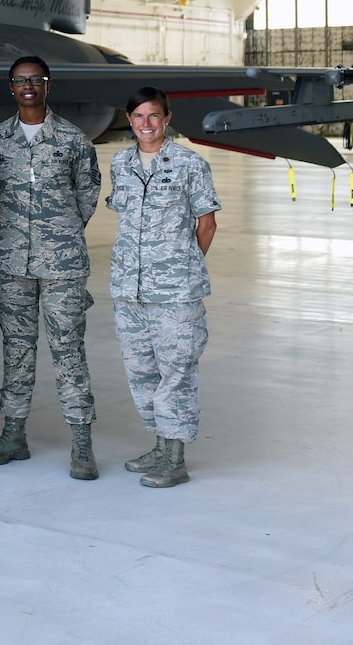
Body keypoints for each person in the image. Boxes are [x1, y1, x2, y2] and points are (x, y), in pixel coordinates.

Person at [0, 55, 104, 479]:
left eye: (36, 79)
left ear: (48, 85)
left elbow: (87, 193)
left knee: (68, 350)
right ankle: (14, 435)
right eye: (20, 80)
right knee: (16, 348)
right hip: (10, 260)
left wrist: (60, 233)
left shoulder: (71, 138)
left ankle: (82, 444)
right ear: (10, 87)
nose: (28, 86)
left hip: (63, 263)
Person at [107, 86, 220, 489]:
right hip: (129, 290)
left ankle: (175, 457)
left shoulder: (190, 164)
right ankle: (160, 444)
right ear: (130, 120)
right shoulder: (121, 163)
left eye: (153, 116)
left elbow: (206, 223)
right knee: (142, 372)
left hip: (175, 293)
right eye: (138, 117)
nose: (146, 124)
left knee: (177, 372)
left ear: (167, 118)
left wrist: (182, 267)